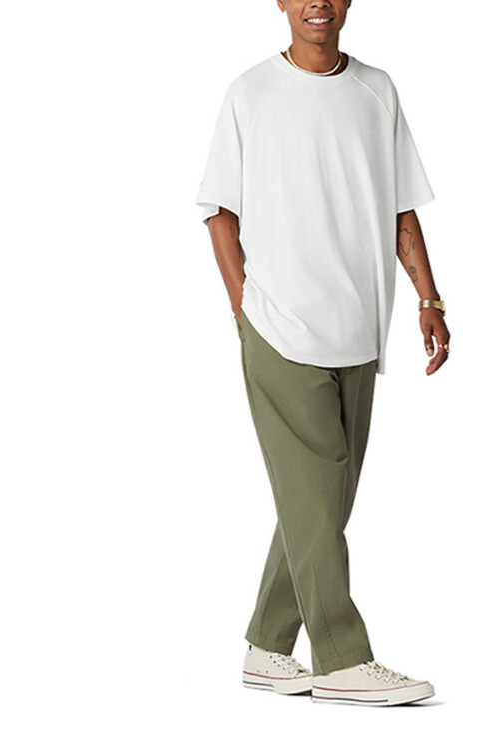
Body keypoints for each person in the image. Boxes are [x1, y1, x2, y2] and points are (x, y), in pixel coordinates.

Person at [195, 0, 449, 707]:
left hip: (359, 330)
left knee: (321, 499)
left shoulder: (377, 91)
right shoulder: (250, 93)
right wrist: (246, 307)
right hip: (280, 328)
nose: (318, 3)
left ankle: (268, 646)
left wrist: (429, 300)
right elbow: (220, 211)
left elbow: (400, 209)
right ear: (280, 1)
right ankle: (341, 657)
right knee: (317, 490)